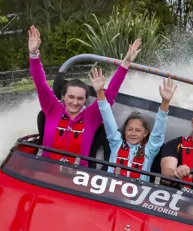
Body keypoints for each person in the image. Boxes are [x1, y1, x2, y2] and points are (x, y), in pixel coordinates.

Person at [28, 25, 141, 165]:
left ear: (85, 99)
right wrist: (34, 54)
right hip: (47, 171)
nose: (75, 102)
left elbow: (110, 94)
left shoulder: (91, 116)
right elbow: (40, 83)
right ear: (63, 96)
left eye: (80, 98)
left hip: (78, 178)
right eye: (71, 97)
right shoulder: (52, 109)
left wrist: (126, 62)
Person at [93, 75, 177, 182]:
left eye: (138, 130)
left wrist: (165, 102)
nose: (133, 133)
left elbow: (159, 129)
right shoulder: (116, 142)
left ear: (145, 133)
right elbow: (107, 115)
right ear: (125, 130)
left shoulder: (150, 149)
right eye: (130, 129)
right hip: (110, 190)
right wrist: (100, 92)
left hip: (136, 195)